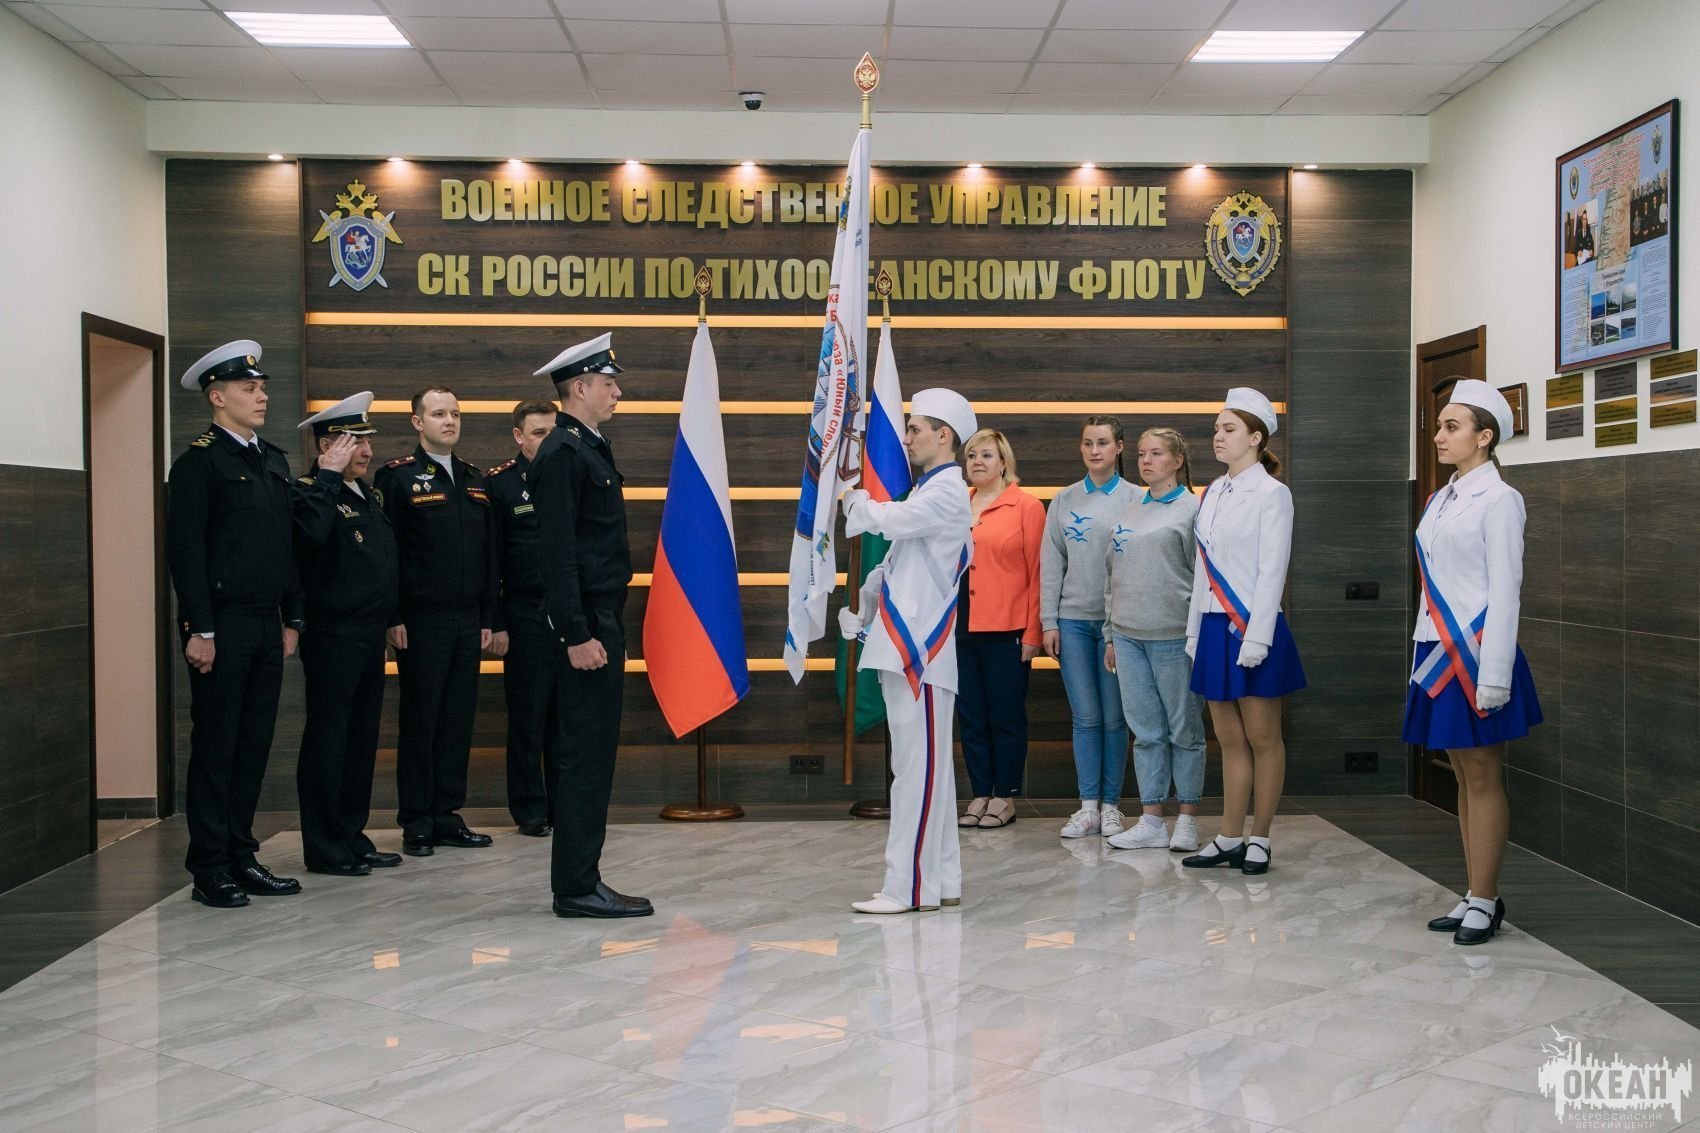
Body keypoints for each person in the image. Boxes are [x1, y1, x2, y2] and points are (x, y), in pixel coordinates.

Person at [168, 340, 339, 907]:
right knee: (217, 747)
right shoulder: (198, 463)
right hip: (222, 625)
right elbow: (186, 553)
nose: (261, 396)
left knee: (253, 746)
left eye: (262, 387)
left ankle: (241, 855)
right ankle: (209, 866)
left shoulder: (271, 459)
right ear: (217, 398)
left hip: (267, 623)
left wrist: (292, 615)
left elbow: (284, 547)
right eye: (248, 388)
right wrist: (199, 628)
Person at [1406, 380, 1542, 946]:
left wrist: (1495, 677)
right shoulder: (1440, 498)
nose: (1439, 436)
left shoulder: (1501, 499)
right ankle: (1474, 891)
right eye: (1439, 426)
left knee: (1482, 777)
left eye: (1451, 427)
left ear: (1484, 437)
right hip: (1437, 650)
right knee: (1461, 775)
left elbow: (1506, 591)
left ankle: (1487, 899)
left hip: (1480, 655)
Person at [839, 388, 976, 914]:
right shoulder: (930, 492)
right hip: (904, 648)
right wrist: (865, 609)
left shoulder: (946, 492)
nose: (907, 437)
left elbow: (891, 522)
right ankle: (941, 879)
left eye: (916, 429)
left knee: (916, 774)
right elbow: (896, 566)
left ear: (944, 436)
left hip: (920, 653)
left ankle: (908, 888)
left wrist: (855, 500)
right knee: (926, 774)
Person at [530, 334, 651, 919]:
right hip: (585, 625)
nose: (617, 392)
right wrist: (576, 634)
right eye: (608, 383)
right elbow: (557, 554)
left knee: (594, 753)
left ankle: (583, 877)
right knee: (583, 755)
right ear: (579, 387)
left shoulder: (588, 447)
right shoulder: (563, 453)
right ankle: (576, 886)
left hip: (601, 617)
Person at [1182, 388, 1306, 876]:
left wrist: (1257, 637)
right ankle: (1229, 835)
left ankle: (1261, 837)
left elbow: (1274, 569)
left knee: (1263, 736)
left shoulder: (1273, 494)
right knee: (1228, 737)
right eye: (1217, 428)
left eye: (1229, 429)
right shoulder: (1212, 492)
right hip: (1214, 625)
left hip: (1254, 626)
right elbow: (1202, 568)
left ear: (1255, 438)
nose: (1218, 436)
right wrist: (1194, 631)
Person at [374, 387, 498, 858]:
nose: (449, 421)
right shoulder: (398, 477)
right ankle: (417, 820)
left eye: (455, 414)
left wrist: (488, 616)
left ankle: (447, 815)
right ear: (417, 422)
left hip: (468, 618)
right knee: (421, 719)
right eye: (439, 414)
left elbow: (489, 555)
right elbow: (387, 554)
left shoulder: (474, 478)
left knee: (456, 721)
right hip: (421, 619)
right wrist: (393, 615)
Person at [291, 392, 402, 877]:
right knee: (329, 739)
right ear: (327, 446)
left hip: (369, 632)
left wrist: (393, 616)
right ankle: (323, 846)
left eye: (367, 441)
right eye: (355, 442)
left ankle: (352, 834)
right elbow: (309, 537)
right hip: (332, 634)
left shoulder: (367, 493)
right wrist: (328, 478)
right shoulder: (309, 491)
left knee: (360, 739)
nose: (367, 451)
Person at [1103, 428, 1206, 854]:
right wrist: (1110, 633)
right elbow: (1112, 575)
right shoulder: (1129, 509)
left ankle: (1187, 819)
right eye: (1142, 454)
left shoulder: (1194, 510)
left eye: (1157, 454)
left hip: (1174, 636)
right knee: (1145, 732)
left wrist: (1197, 634)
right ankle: (1151, 820)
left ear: (1177, 460)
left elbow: (1203, 577)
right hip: (1128, 636)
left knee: (1184, 730)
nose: (1146, 461)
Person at [1041, 416, 1133, 840]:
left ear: (1119, 448)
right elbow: (1050, 565)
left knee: (1115, 718)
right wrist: (1049, 621)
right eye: (1087, 443)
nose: (1094, 451)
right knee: (1086, 717)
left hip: (1120, 627)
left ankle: (1112, 806)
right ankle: (1088, 807)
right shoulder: (1063, 500)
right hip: (1073, 623)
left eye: (1102, 443)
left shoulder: (1137, 499)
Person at [954, 428, 1043, 829]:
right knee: (971, 715)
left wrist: (1033, 634)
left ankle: (1004, 796)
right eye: (972, 455)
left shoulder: (1026, 506)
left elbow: (1039, 574)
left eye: (987, 455)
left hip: (1008, 630)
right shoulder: (957, 505)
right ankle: (980, 793)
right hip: (960, 627)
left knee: (1005, 716)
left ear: (1004, 462)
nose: (977, 462)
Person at [486, 399, 565, 837]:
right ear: (519, 436)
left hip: (568, 614)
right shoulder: (499, 484)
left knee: (564, 719)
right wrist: (496, 621)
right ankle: (530, 809)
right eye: (538, 433)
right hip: (524, 612)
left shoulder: (571, 473)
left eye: (553, 433)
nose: (547, 441)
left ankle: (562, 805)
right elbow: (491, 561)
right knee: (528, 718)